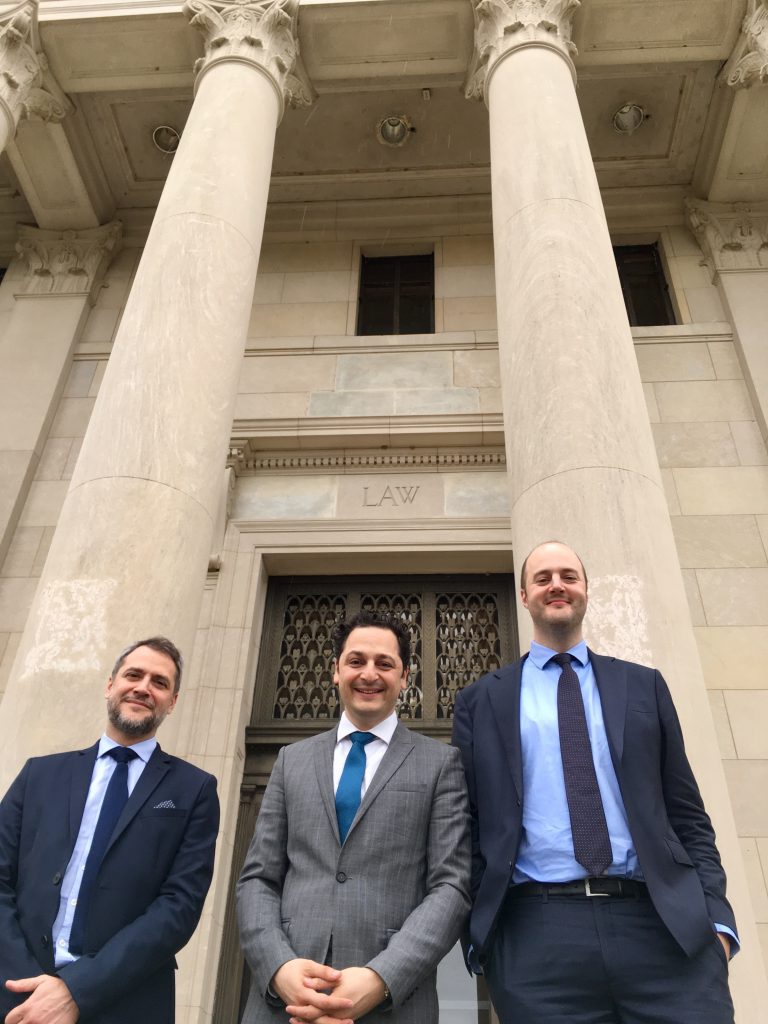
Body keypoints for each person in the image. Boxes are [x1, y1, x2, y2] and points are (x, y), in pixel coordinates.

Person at [452, 541, 737, 1024]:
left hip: (663, 929)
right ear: (524, 596)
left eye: (569, 575)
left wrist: (716, 920)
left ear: (585, 591)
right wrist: (488, 938)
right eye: (543, 578)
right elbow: (470, 823)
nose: (557, 585)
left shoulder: (643, 685)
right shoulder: (480, 700)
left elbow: (685, 810)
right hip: (537, 938)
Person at [237, 611, 471, 1024]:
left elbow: (450, 886)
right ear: (335, 671)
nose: (369, 674)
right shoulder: (292, 761)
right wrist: (278, 967)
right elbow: (258, 878)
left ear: (404, 677)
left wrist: (382, 977)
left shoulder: (440, 764)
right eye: (356, 661)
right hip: (284, 1001)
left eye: (385, 664)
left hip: (391, 1003)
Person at [0, 636, 220, 1024]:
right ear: (109, 685)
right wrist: (28, 981)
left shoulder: (195, 790)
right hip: (17, 997)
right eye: (133, 675)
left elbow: (178, 908)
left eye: (160, 682)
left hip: (126, 1003)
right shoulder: (40, 774)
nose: (143, 687)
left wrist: (76, 990)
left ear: (173, 701)